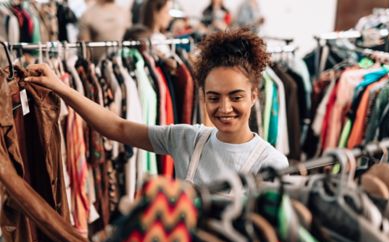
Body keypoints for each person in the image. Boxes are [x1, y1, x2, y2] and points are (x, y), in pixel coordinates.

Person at [24, 28, 288, 185]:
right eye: (214, 97)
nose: (225, 107)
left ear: (254, 95)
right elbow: (118, 127)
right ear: (203, 96)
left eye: (236, 96)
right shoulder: (188, 139)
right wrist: (61, 87)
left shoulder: (271, 163)